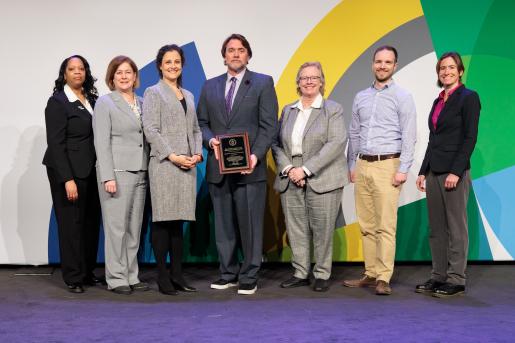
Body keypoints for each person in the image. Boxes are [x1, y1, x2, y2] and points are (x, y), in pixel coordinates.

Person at [197, 34, 278, 295]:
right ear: (224, 56)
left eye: (241, 50)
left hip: (249, 168)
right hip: (218, 167)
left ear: (248, 55)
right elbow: (201, 124)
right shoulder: (209, 86)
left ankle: (249, 275)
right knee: (223, 225)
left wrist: (254, 156)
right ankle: (228, 273)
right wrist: (212, 143)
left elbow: (269, 126)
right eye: (230, 50)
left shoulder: (263, 83)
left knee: (250, 225)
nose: (235, 54)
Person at [344, 46, 417, 295]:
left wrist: (403, 169)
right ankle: (371, 273)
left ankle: (383, 277)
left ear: (395, 66)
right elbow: (354, 133)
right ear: (372, 64)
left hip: (389, 166)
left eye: (388, 62)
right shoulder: (360, 96)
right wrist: (352, 164)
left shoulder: (403, 97)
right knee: (366, 225)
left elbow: (409, 137)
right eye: (379, 61)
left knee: (386, 226)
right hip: (362, 165)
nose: (382, 66)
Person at [271, 62, 349, 292]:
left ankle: (322, 274)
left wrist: (304, 170)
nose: (309, 81)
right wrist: (289, 169)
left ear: (321, 81)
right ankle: (300, 272)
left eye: (314, 77)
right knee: (296, 228)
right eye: (304, 78)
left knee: (323, 228)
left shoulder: (333, 109)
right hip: (290, 175)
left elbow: (336, 144)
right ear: (298, 83)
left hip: (322, 176)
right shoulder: (288, 110)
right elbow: (276, 144)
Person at [415, 52, 480, 298]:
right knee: (437, 229)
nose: (446, 72)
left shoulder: (469, 97)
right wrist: (423, 171)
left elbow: (469, 138)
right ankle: (439, 276)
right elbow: (433, 139)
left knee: (456, 227)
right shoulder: (438, 101)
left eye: (451, 68)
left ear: (460, 71)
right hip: (434, 171)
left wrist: (456, 170)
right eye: (442, 68)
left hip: (454, 172)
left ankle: (456, 279)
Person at [143, 45, 203, 295]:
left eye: (177, 61)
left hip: (187, 165)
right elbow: (151, 129)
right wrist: (173, 156)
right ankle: (162, 276)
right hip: (165, 166)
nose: (173, 66)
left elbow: (196, 130)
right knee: (163, 222)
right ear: (160, 65)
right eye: (168, 62)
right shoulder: (153, 92)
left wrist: (198, 153)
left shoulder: (188, 95)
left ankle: (177, 275)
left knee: (179, 222)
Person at [42, 55, 104, 293]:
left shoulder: (94, 100)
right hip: (66, 171)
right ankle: (73, 277)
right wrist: (67, 179)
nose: (77, 72)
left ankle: (87, 272)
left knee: (90, 223)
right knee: (71, 224)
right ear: (64, 74)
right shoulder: (58, 102)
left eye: (81, 68)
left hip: (90, 169)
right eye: (72, 69)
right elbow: (56, 144)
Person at [93, 56, 150, 295]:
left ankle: (130, 274)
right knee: (116, 229)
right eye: (119, 73)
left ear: (135, 76)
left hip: (141, 171)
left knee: (134, 228)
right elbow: (101, 142)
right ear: (112, 78)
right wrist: (107, 176)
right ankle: (116, 278)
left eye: (128, 72)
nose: (124, 76)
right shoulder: (105, 103)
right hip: (116, 172)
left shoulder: (144, 101)